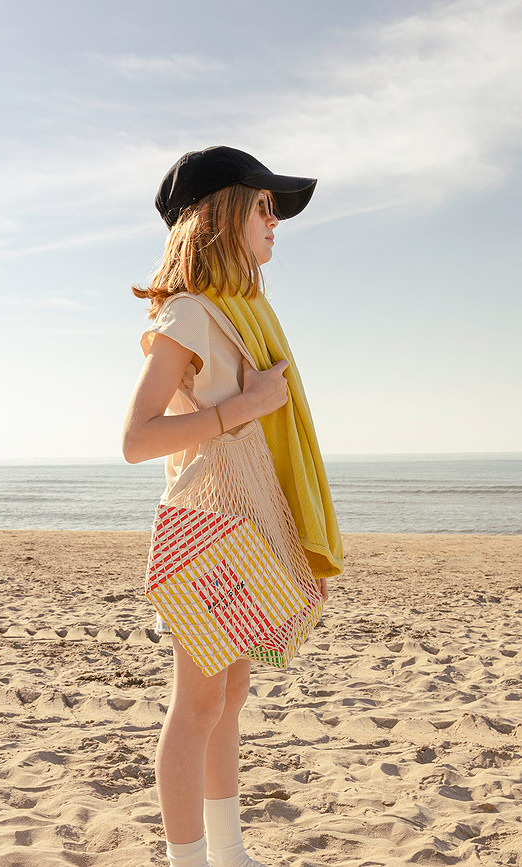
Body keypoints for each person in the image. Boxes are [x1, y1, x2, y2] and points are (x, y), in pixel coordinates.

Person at [122, 146, 343, 867]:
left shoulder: (246, 313)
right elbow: (136, 438)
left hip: (246, 524)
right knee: (195, 705)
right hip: (205, 528)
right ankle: (189, 859)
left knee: (230, 696)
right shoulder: (189, 314)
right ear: (219, 216)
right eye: (263, 206)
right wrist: (241, 408)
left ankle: (228, 851)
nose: (275, 222)